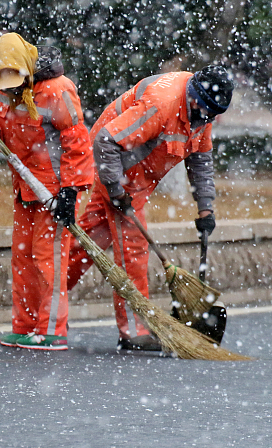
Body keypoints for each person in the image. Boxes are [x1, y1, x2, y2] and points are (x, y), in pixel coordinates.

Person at [66, 65, 234, 352]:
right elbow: (106, 141)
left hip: (135, 179)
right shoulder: (162, 104)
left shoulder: (202, 113)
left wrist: (206, 208)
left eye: (213, 116)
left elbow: (201, 159)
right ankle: (135, 330)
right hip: (115, 167)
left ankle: (44, 308)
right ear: (194, 98)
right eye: (206, 113)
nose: (208, 121)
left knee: (90, 243)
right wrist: (116, 189)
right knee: (132, 248)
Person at [0, 32, 94, 351]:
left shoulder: (58, 90)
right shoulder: (5, 87)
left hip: (56, 190)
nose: (9, 90)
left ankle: (52, 329)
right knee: (24, 257)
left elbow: (77, 143)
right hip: (25, 187)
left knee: (49, 259)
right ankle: (26, 326)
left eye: (14, 83)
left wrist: (70, 193)